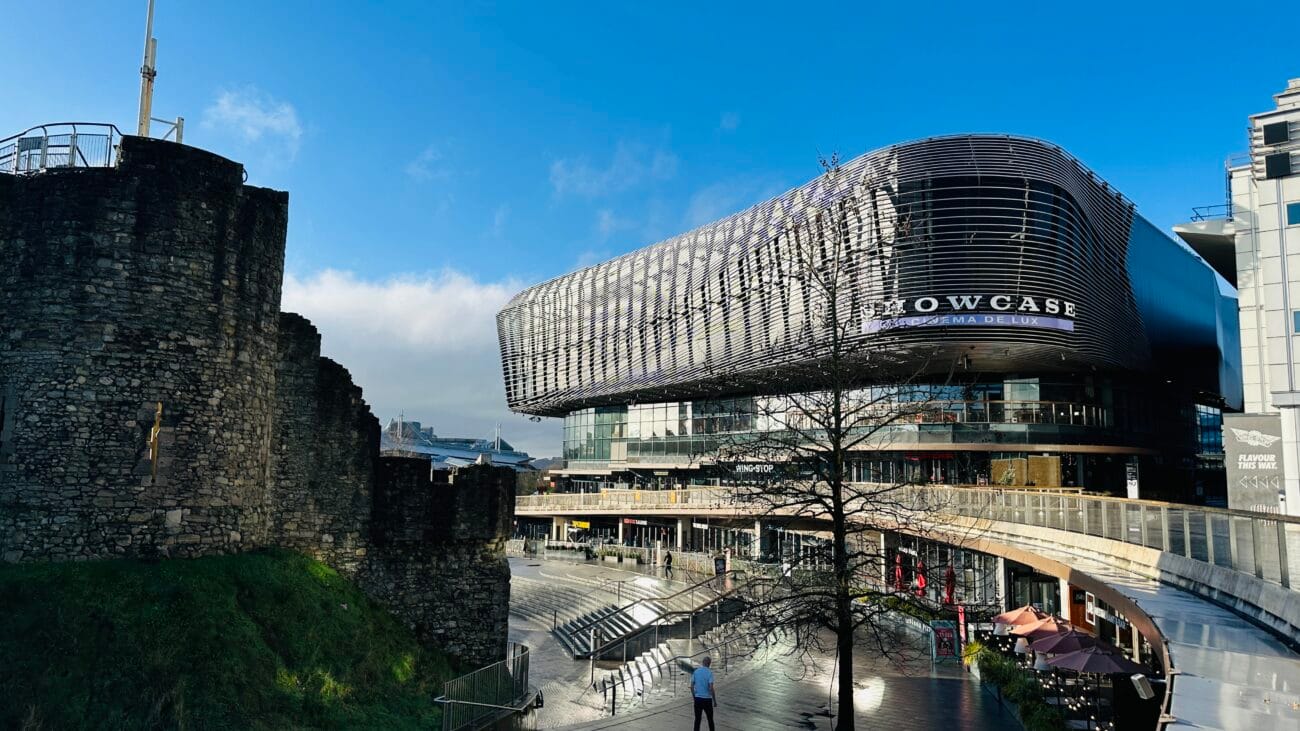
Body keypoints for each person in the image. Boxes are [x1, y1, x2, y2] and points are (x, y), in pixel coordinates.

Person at [691, 656, 716, 731]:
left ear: (702, 662)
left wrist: (694, 697)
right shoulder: (709, 673)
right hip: (707, 699)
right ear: (709, 664)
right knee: (710, 720)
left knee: (697, 720)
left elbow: (691, 687)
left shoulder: (696, 672)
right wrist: (714, 701)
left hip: (698, 699)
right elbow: (711, 688)